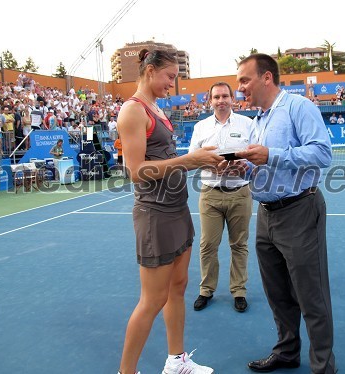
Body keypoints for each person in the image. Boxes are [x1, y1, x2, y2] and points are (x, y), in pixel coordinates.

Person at [116, 48, 224, 374]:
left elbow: (165, 159)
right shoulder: (132, 111)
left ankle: (176, 361)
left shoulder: (156, 109)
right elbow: (135, 171)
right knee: (152, 301)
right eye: (169, 77)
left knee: (178, 288)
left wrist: (198, 159)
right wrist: (190, 161)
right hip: (155, 216)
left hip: (178, 210)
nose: (172, 84)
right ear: (150, 71)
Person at [235, 54, 336, 374]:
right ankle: (287, 352)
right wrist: (243, 169)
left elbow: (322, 153)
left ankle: (323, 367)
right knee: (277, 294)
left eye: (244, 80)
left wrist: (271, 155)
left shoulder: (298, 107)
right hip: (265, 216)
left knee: (311, 297)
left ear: (266, 78)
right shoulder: (258, 121)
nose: (240, 88)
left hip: (299, 211)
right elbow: (259, 167)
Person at [188, 82, 252, 313]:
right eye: (216, 97)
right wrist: (212, 167)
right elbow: (192, 158)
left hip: (240, 194)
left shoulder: (248, 124)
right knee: (208, 245)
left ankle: (239, 291)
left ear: (232, 98)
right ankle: (206, 290)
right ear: (210, 100)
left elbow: (258, 154)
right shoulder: (201, 127)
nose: (221, 100)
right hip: (210, 195)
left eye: (225, 96)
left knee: (239, 245)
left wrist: (246, 166)